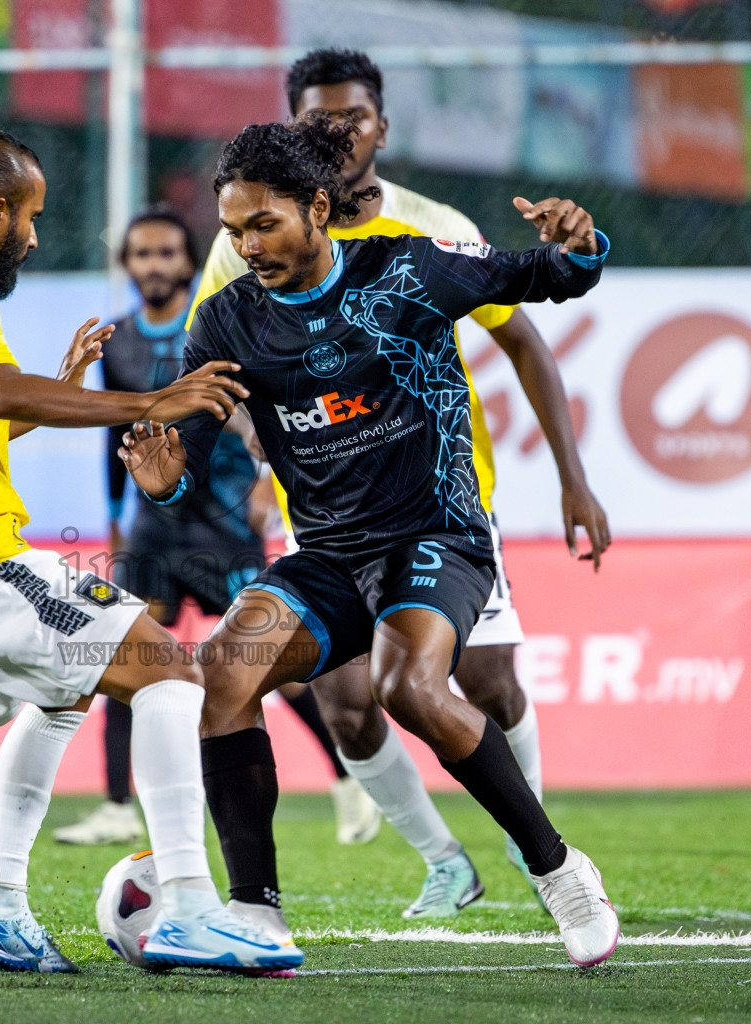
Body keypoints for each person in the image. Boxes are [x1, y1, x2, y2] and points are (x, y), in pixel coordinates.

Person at [122, 114, 620, 967]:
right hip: (329, 557)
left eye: (264, 224)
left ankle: (560, 869)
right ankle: (258, 913)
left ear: (318, 209)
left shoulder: (408, 267)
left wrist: (580, 243)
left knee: (406, 686)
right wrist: (165, 475)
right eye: (234, 230)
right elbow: (188, 462)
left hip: (440, 535)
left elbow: (545, 276)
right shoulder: (225, 324)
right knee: (225, 674)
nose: (247, 245)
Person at [0, 125, 301, 973]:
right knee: (173, 669)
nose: (31, 235)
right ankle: (187, 906)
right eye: (27, 216)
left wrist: (59, 390)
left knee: (66, 698)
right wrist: (158, 399)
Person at [53, 206, 379, 847]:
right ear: (129, 265)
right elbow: (116, 439)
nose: (154, 265)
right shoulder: (117, 341)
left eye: (166, 253)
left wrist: (266, 481)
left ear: (187, 260)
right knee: (126, 651)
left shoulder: (218, 323)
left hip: (222, 525)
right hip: (153, 528)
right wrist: (117, 518)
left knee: (264, 659)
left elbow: (268, 410)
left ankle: (348, 779)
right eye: (142, 254)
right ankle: (118, 803)